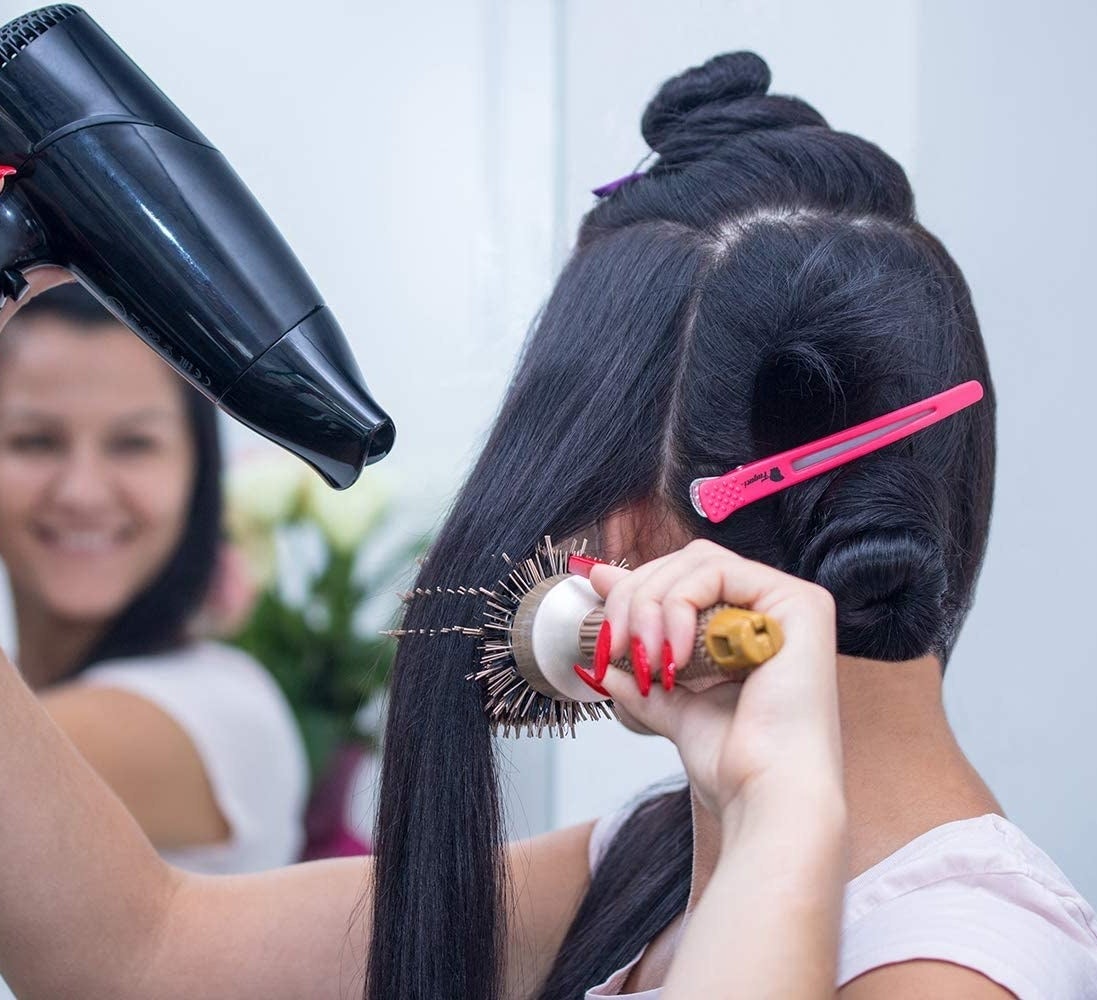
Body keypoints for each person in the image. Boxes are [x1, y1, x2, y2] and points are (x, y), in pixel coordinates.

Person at [0, 50, 1093, 1000]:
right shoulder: (651, 861)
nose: (570, 538)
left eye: (580, 464)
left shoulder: (958, 965)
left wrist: (779, 817)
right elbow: (133, 955)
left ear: (624, 515)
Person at [0, 284, 307, 876]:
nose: (81, 492)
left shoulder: (210, 708)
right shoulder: (23, 684)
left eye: (134, 444)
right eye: (35, 440)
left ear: (197, 470)